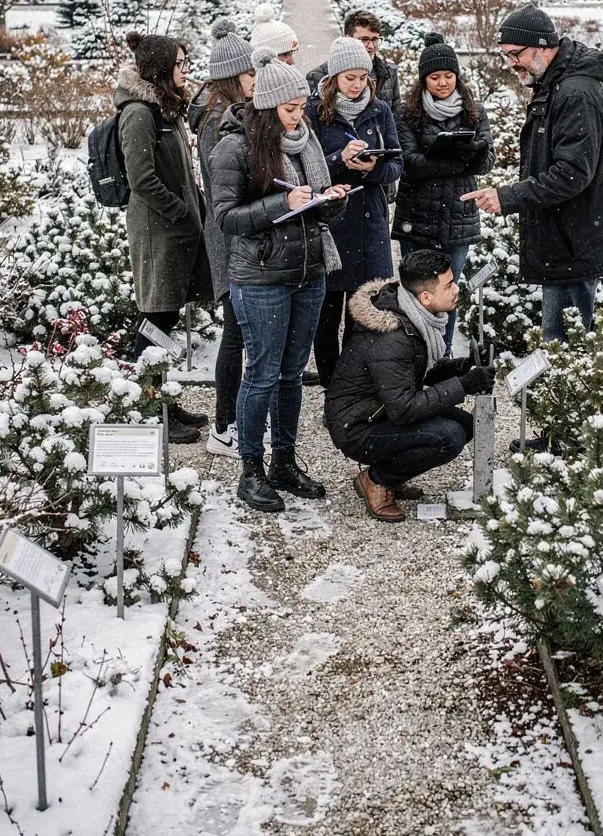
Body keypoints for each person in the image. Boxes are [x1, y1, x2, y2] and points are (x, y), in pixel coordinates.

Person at [210, 47, 348, 513]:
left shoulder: (305, 141)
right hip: (261, 277)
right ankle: (251, 469)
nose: (298, 116)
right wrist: (281, 205)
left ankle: (284, 461)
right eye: (290, 108)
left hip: (308, 272)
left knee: (291, 374)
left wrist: (331, 200)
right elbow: (226, 217)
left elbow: (315, 209)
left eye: (302, 106)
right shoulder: (235, 148)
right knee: (262, 373)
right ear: (268, 108)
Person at [463, 4, 603, 342]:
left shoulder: (575, 93)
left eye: (515, 54)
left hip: (575, 241)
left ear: (542, 46)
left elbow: (572, 173)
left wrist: (508, 197)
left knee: (563, 345)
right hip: (566, 237)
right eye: (505, 55)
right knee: (559, 339)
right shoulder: (555, 83)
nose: (510, 63)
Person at [325, 249, 495, 522]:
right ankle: (376, 480)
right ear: (425, 297)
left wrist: (463, 366)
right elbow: (404, 409)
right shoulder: (394, 337)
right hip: (357, 426)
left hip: (379, 410)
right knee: (448, 437)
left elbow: (419, 372)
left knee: (465, 423)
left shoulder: (412, 314)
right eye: (449, 285)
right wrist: (464, 385)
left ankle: (393, 473)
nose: (456, 290)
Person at [115, 31, 213, 443]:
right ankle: (152, 410)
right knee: (155, 320)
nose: (185, 70)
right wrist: (180, 211)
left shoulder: (165, 108)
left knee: (164, 319)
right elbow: (141, 179)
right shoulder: (140, 113)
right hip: (159, 234)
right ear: (160, 68)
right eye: (179, 63)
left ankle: (164, 402)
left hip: (176, 231)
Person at [304, 35, 403, 388]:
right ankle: (331, 383)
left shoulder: (380, 110)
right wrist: (339, 160)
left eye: (363, 77)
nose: (357, 85)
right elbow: (306, 169)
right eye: (350, 78)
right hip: (333, 222)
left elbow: (397, 165)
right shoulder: (314, 112)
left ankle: (354, 384)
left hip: (370, 223)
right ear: (333, 77)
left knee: (366, 310)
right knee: (327, 311)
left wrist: (374, 167)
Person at [392, 32, 494, 354]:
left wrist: (474, 152)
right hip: (417, 217)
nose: (442, 82)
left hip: (459, 217)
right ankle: (416, 354)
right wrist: (458, 160)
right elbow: (411, 163)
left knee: (449, 292)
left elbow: (486, 162)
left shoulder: (473, 112)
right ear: (423, 79)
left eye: (448, 75)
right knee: (418, 294)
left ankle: (445, 354)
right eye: (434, 77)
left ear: (457, 76)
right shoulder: (407, 113)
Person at [188, 19, 256, 457]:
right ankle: (223, 427)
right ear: (232, 77)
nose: (256, 79)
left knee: (240, 332)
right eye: (250, 73)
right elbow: (226, 188)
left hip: (232, 234)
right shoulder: (217, 122)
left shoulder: (226, 113)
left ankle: (232, 421)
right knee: (235, 333)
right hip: (229, 239)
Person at [307, 10, 400, 113]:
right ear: (347, 39)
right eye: (364, 39)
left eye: (375, 39)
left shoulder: (389, 71)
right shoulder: (317, 76)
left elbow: (396, 113)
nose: (371, 46)